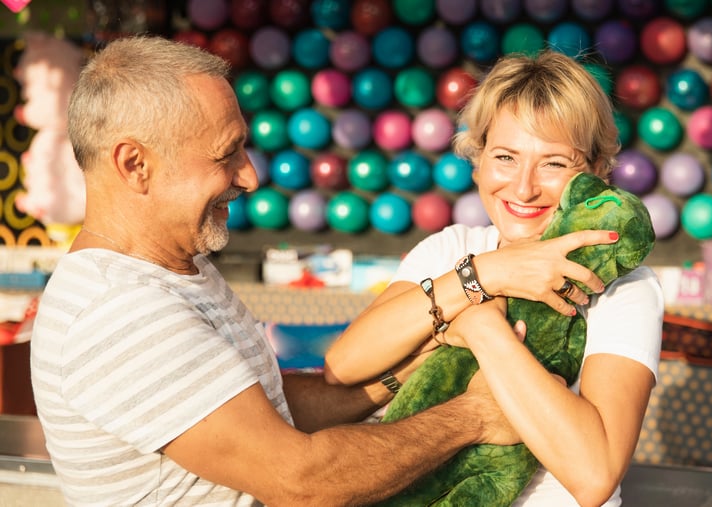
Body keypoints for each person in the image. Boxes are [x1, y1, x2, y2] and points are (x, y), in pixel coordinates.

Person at [29, 36, 516, 506]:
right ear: (135, 164)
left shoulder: (175, 270)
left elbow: (268, 410)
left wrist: (410, 370)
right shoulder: (118, 310)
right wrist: (472, 416)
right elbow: (302, 480)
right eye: (226, 154)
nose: (250, 176)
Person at [324, 50, 664, 507]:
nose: (523, 188)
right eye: (506, 157)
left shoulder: (623, 287)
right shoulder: (451, 248)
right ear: (477, 157)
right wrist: (486, 274)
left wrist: (483, 329)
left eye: (555, 164)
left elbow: (594, 474)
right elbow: (343, 366)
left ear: (598, 174)